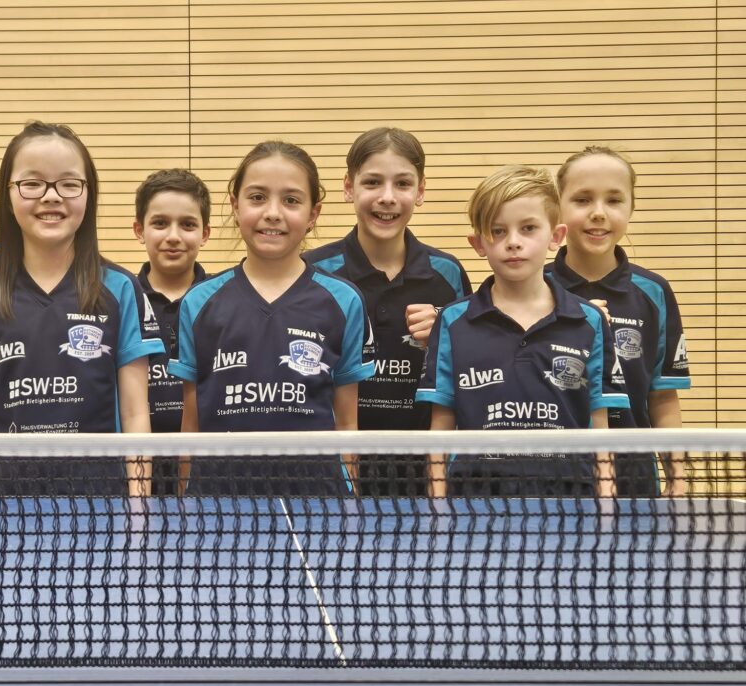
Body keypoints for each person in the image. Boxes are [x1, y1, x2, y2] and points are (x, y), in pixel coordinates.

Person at [0, 121, 164, 497]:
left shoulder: (121, 289)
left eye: (69, 183)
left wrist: (139, 504)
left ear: (89, 193)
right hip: (6, 503)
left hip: (101, 501)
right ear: (7, 194)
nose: (51, 197)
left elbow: (134, 414)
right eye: (32, 183)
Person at [169, 141, 375, 496]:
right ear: (235, 206)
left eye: (291, 200)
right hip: (218, 501)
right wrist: (186, 505)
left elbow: (347, 424)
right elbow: (191, 425)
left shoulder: (344, 301)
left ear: (313, 214)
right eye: (257, 197)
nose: (273, 213)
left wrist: (350, 507)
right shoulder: (198, 302)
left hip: (318, 502)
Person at [416, 165, 629, 497]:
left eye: (528, 228)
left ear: (555, 237)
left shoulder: (589, 320)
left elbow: (599, 427)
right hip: (474, 503)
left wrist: (605, 504)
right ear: (478, 243)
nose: (513, 242)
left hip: (571, 501)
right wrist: (439, 508)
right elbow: (440, 427)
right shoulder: (453, 322)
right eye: (498, 231)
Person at [303, 127, 470, 496]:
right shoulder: (313, 271)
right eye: (373, 182)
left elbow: (468, 373)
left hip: (421, 473)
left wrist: (446, 338)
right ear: (349, 187)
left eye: (403, 184)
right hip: (332, 472)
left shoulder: (448, 274)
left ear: (420, 191)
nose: (388, 197)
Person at [548, 146, 691, 496]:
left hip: (634, 480)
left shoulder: (654, 292)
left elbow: (662, 396)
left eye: (614, 200)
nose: (598, 213)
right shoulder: (532, 286)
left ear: (631, 208)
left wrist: (678, 476)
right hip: (550, 477)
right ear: (558, 208)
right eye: (582, 200)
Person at [132, 169, 212, 494]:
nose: (174, 236)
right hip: (135, 470)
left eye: (188, 225)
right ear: (139, 230)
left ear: (205, 233)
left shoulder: (223, 300)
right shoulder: (120, 300)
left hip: (205, 472)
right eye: (160, 223)